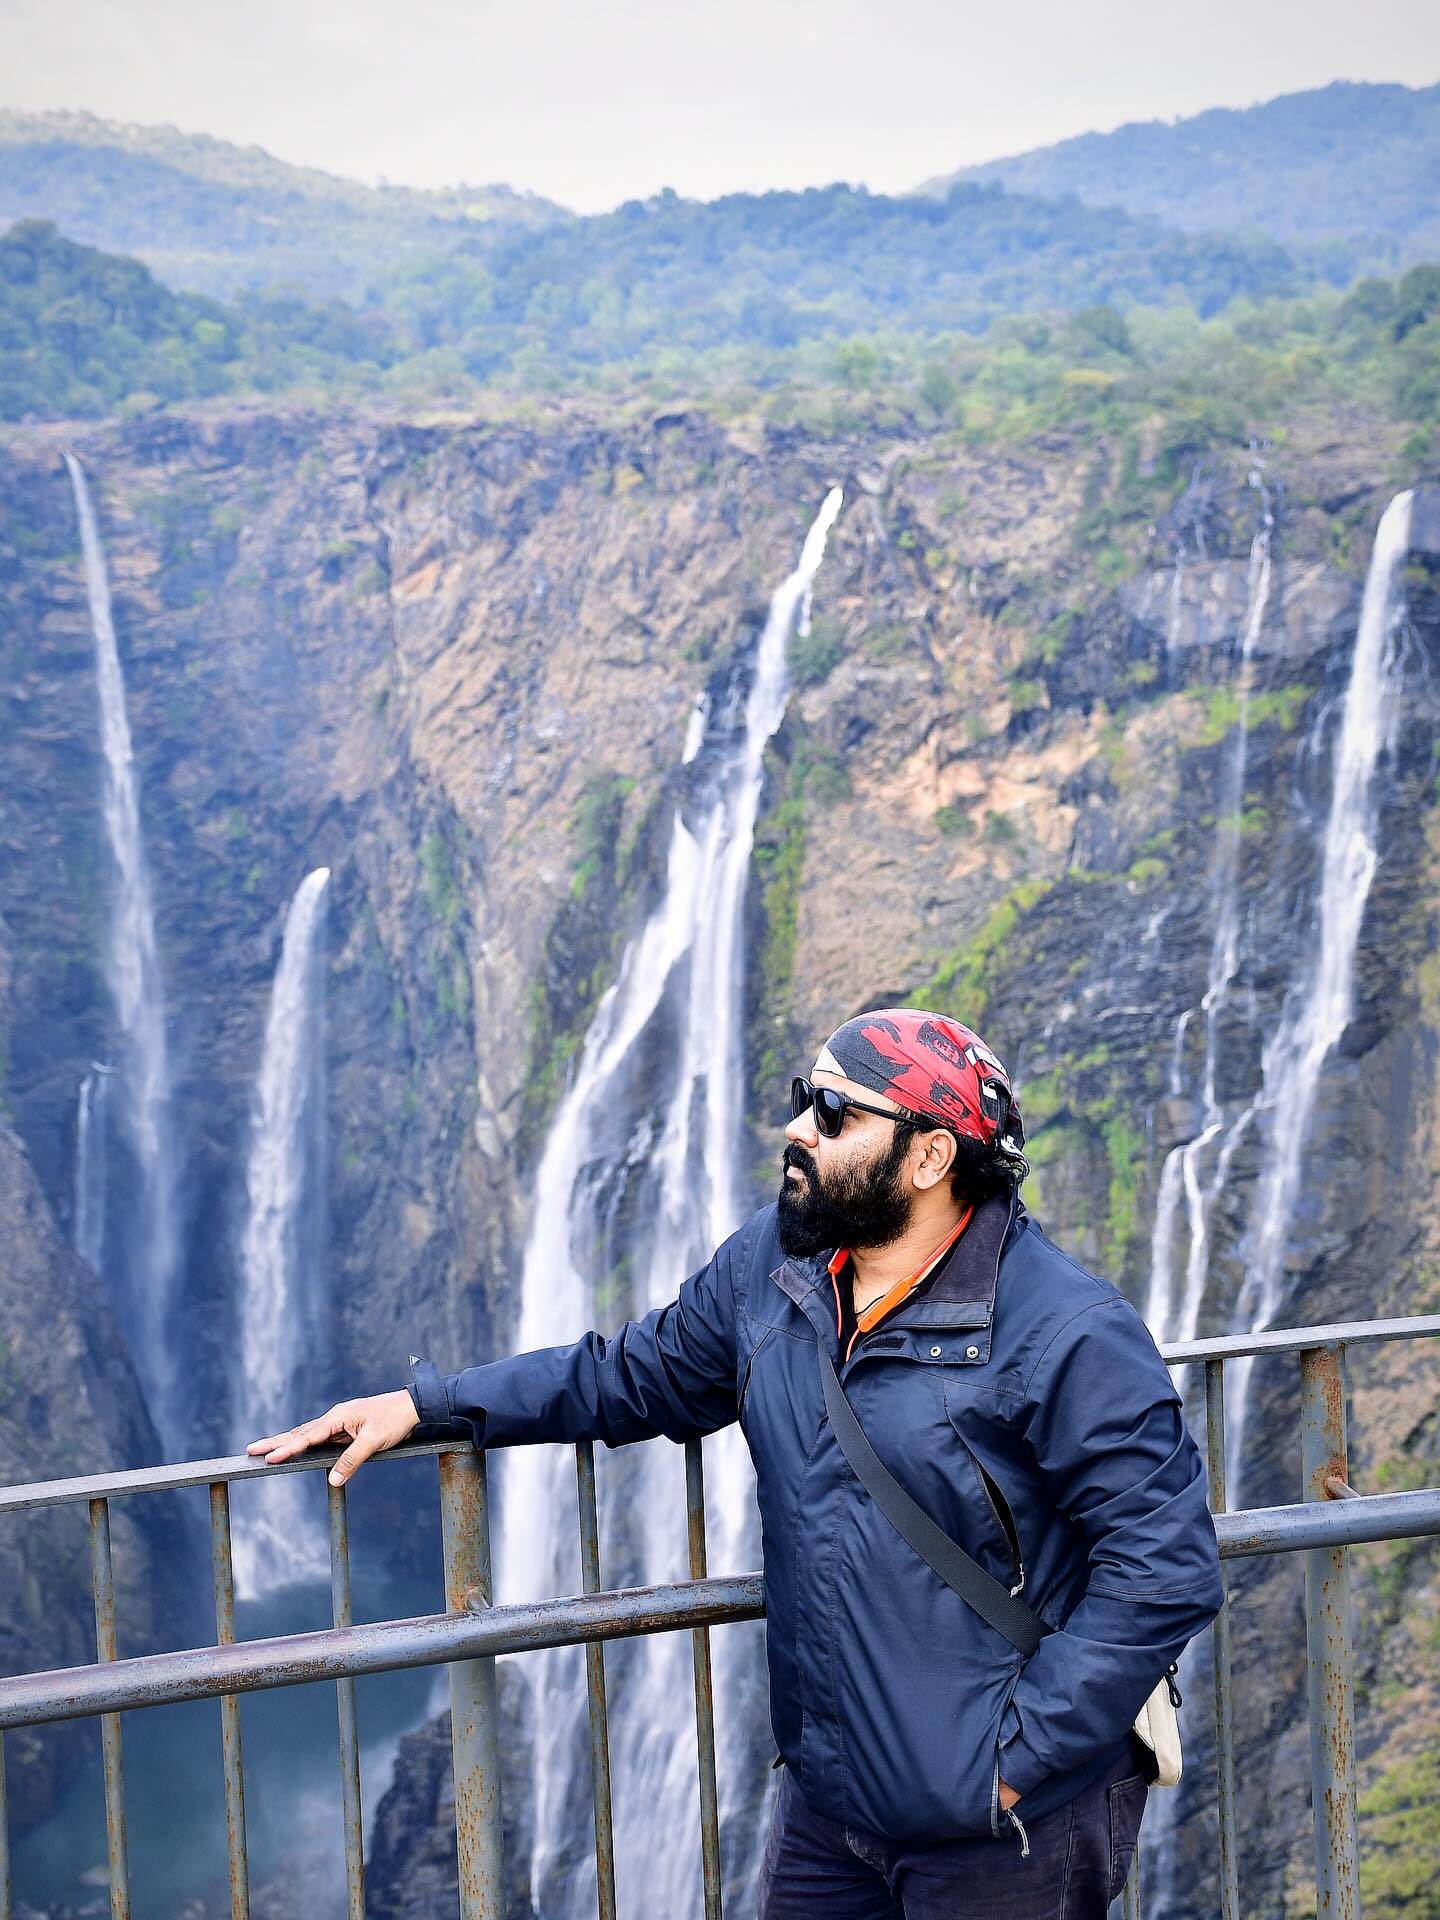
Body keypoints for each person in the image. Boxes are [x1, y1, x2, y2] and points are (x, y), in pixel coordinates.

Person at [250, 1008, 1223, 1918]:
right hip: (832, 1803)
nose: (798, 1127)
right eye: (805, 1097)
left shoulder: (1068, 1334)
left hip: (1008, 1828)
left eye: (836, 1113)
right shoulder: (776, 1275)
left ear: (931, 1156)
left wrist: (1016, 1758)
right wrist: (432, 1404)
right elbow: (628, 1376)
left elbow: (1165, 1564)